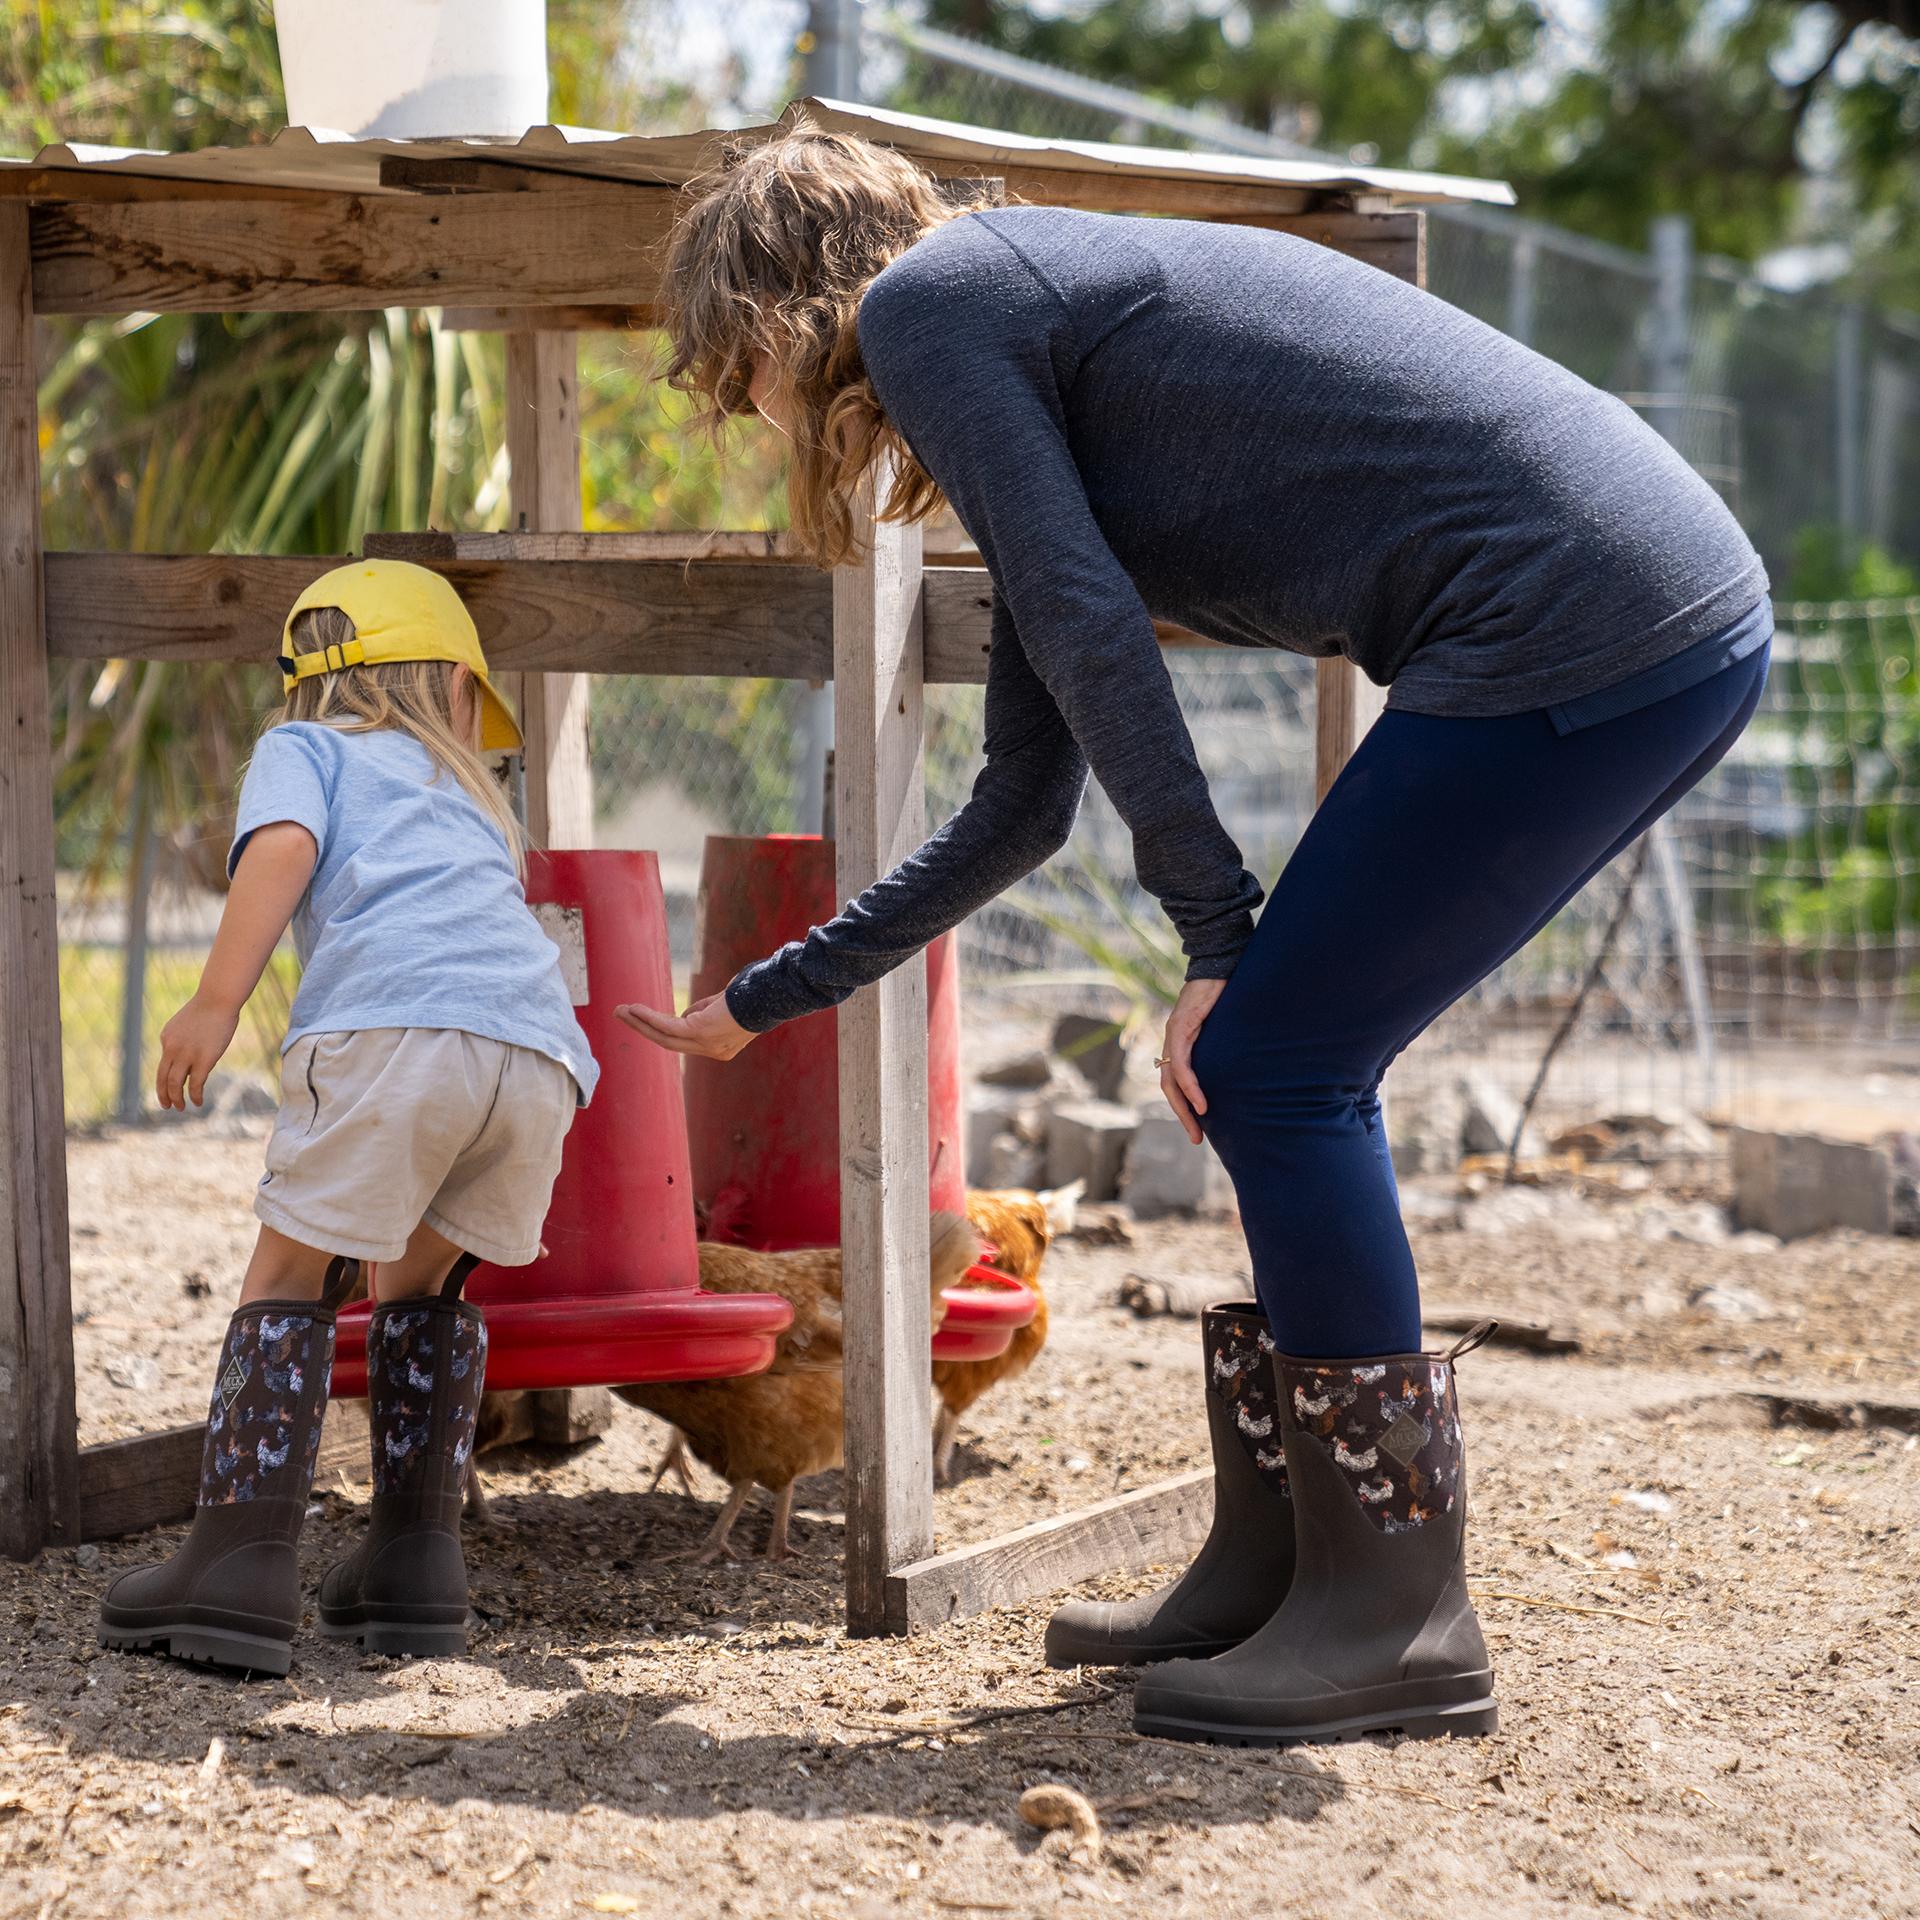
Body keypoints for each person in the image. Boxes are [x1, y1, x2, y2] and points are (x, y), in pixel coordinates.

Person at [619, 125, 1770, 1747]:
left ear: (769, 312)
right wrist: (771, 996)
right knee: (1282, 1070)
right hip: (1624, 609)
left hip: (1584, 614)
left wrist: (1215, 941)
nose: (735, 410)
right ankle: (1281, 1561)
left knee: (1282, 1065)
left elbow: (1099, 639)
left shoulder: (938, 301)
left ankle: (1395, 1618)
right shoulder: (1013, 347)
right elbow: (1026, 797)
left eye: (720, 372)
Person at [98, 560, 597, 1677]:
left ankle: (235, 1566)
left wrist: (217, 999)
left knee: (288, 1279)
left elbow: (284, 850)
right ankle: (415, 1564)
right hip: (535, 1056)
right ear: (454, 690)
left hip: (393, 1037)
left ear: (313, 682)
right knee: (420, 1286)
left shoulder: (304, 750)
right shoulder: (473, 789)